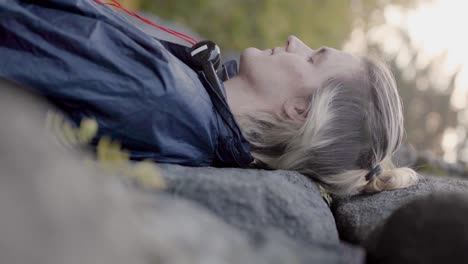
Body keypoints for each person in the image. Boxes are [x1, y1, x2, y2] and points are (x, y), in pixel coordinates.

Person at [0, 0, 418, 196]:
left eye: (313, 57)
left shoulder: (159, 97)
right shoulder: (187, 101)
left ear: (299, 110)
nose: (295, 40)